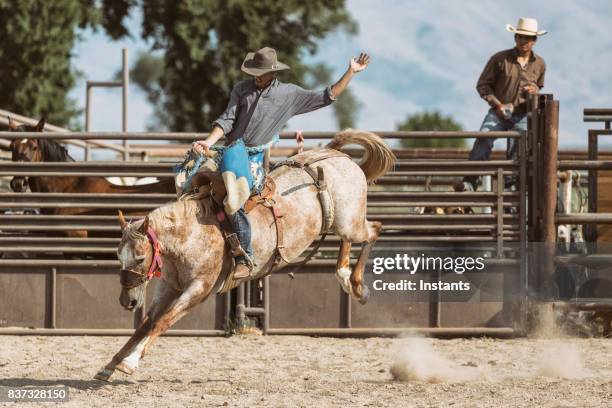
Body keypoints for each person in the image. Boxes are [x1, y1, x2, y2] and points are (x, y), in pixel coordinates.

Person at [193, 46, 370, 279]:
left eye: (262, 72)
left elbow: (327, 96)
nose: (256, 76)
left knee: (235, 196)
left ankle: (245, 255)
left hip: (254, 159)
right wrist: (207, 142)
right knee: (192, 182)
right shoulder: (241, 90)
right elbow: (226, 120)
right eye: (255, 71)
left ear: (273, 74)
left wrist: (351, 72)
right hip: (229, 152)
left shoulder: (289, 95)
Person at [457, 17, 547, 193]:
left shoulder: (540, 64)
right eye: (520, 36)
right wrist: (497, 104)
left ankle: (511, 188)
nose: (523, 41)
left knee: (518, 149)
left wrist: (535, 90)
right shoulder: (500, 59)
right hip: (498, 111)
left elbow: (540, 86)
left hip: (522, 113)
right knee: (483, 138)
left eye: (527, 38)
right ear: (515, 38)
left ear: (534, 41)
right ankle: (470, 182)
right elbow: (482, 85)